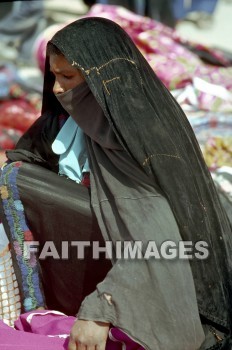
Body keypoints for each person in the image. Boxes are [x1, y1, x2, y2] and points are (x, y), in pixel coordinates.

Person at [0, 17, 232, 350]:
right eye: (54, 76)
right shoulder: (70, 120)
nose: (56, 89)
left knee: (15, 180)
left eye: (68, 77)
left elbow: (154, 231)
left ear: (100, 79)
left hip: (166, 265)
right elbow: (29, 155)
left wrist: (104, 307)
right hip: (110, 249)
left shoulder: (137, 131)